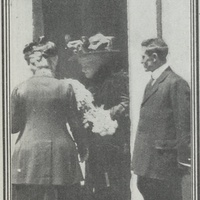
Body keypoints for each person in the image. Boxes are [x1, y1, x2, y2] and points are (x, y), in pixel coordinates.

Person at [11, 37, 88, 200]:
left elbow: (13, 127)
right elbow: (75, 125)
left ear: (33, 63)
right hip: (61, 157)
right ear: (54, 60)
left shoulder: (20, 89)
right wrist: (83, 148)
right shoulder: (65, 88)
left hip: (28, 157)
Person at [132, 38, 191, 200]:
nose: (141, 61)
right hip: (147, 163)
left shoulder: (176, 83)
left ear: (155, 57)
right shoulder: (152, 82)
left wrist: (184, 161)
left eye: (143, 57)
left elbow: (184, 125)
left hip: (164, 165)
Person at [76, 33, 131, 200]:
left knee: (114, 182)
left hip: (113, 141)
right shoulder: (87, 82)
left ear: (98, 62)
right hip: (94, 141)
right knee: (95, 181)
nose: (83, 68)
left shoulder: (116, 79)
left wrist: (107, 114)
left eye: (86, 64)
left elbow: (127, 103)